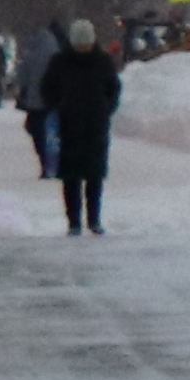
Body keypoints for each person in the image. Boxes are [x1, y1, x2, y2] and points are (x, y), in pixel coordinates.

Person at [43, 18, 125, 235]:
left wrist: (106, 109)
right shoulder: (60, 62)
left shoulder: (103, 61)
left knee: (94, 176)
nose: (83, 47)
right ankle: (74, 222)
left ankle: (94, 220)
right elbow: (47, 88)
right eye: (79, 43)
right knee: (71, 177)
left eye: (86, 43)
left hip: (95, 126)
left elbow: (114, 88)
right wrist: (57, 106)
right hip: (68, 126)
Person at [16, 18, 63, 179]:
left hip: (35, 100)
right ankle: (55, 163)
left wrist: (22, 89)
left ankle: (45, 162)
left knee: (36, 130)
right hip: (53, 100)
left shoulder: (31, 51)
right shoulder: (57, 52)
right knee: (52, 132)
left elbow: (22, 74)